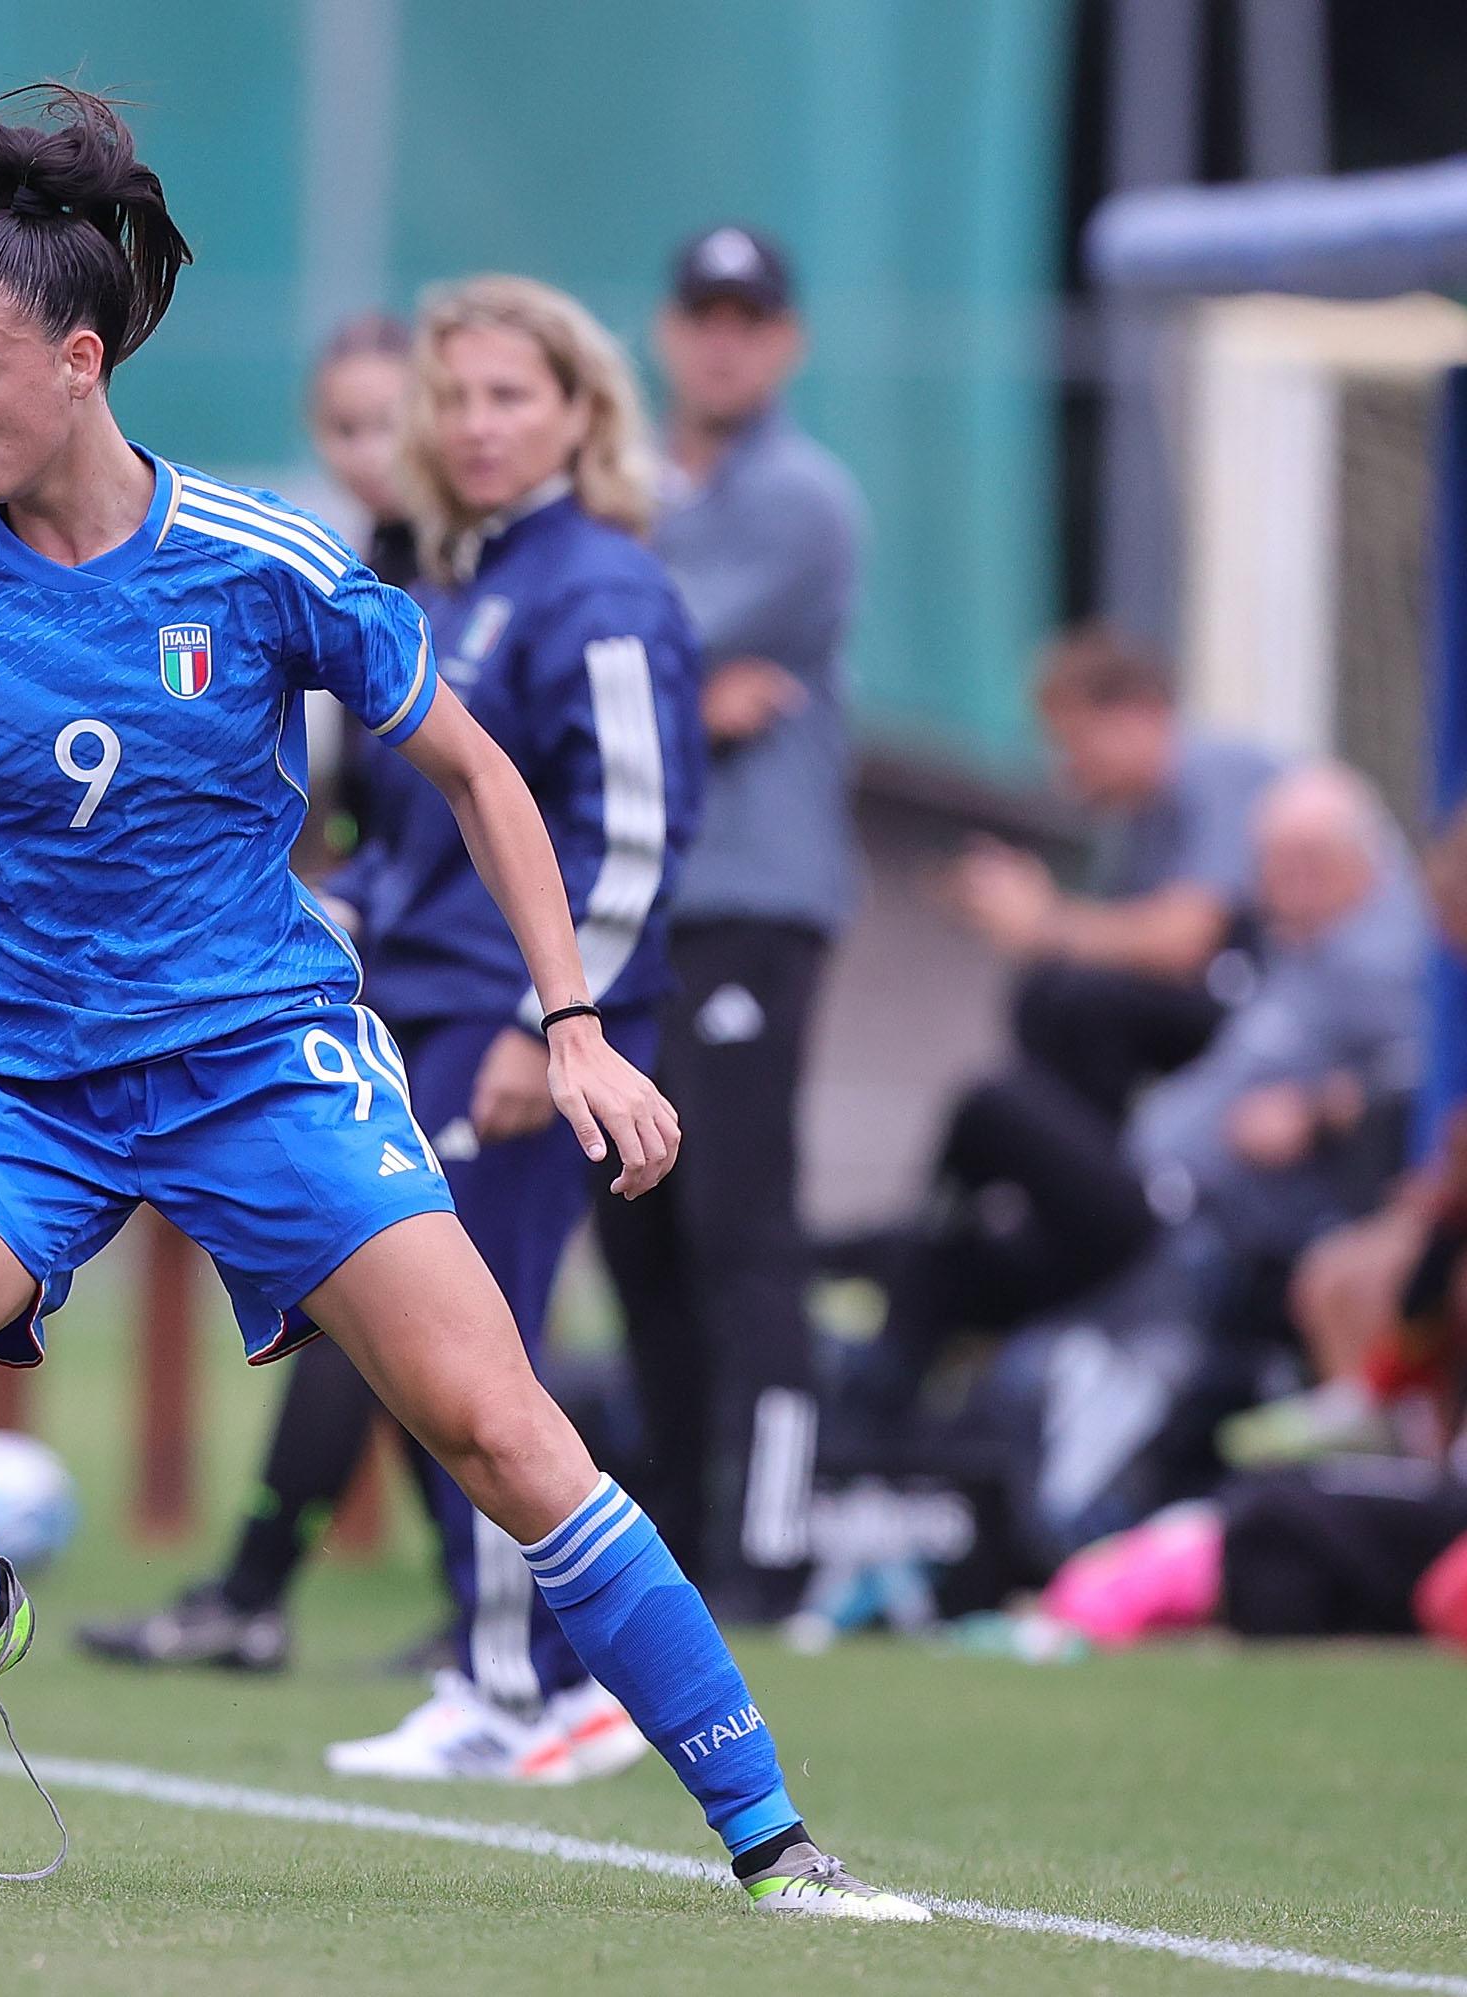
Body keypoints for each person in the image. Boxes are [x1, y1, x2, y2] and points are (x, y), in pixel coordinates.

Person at [0, 85, 921, 1919]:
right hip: (1, 1066)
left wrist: (572, 1020)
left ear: (81, 361)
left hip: (257, 1051)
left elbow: (488, 779)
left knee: (506, 1433)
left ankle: (776, 1840)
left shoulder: (272, 564)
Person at [309, 276, 703, 1786]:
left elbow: (637, 837)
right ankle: (509, 1675)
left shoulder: (601, 585)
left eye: (510, 396)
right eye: (454, 396)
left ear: (582, 414)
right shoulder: (451, 581)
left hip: (518, 1030)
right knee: (440, 1354)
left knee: (484, 1358)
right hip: (421, 1016)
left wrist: (565, 1027)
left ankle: (525, 1684)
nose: (476, 425)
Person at [76, 314, 435, 1678]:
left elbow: (512, 806)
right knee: (368, 1288)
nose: (373, 451)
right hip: (372, 988)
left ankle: (491, 1623)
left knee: (419, 1298)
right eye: (345, 426)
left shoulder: (488, 585)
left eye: (395, 420)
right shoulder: (347, 569)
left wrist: (549, 1008)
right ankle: (278, 1588)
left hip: (484, 1003)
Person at [592, 226, 866, 1622]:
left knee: (741, 1227)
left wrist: (648, 690)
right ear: (665, 329)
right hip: (632, 910)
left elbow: (619, 650)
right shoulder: (635, 493)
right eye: (703, 312)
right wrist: (672, 701)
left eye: (749, 317)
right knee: (638, 1231)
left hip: (751, 904)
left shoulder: (799, 498)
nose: (723, 339)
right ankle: (685, 1540)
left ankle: (769, 1549)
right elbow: (597, 666)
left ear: (787, 341)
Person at [853, 763, 1425, 1423]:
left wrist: (1317, 1112)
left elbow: (1418, 1077)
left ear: (1363, 860)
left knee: (994, 1106)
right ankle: (870, 1434)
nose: (1282, 881)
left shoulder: (1386, 957)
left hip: (1189, 1223)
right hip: (1150, 1183)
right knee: (943, 1262)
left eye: (1307, 862)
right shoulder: (1289, 947)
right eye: (1270, 862)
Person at [951, 625, 1281, 1127]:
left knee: (1084, 1001)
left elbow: (1184, 941)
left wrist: (1046, 922)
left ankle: (1106, 1186)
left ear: (1140, 715)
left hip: (1276, 1015)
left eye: (1077, 742)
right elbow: (1119, 938)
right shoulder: (1137, 820)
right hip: (1224, 1000)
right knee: (1049, 991)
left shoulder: (1217, 774)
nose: (1070, 769)